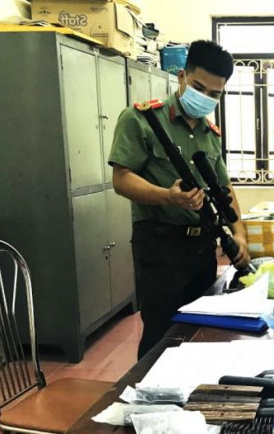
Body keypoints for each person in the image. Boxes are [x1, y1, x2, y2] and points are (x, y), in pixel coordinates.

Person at [109, 40, 250, 359]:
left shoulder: (210, 133)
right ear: (182, 76)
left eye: (215, 94)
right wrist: (168, 197)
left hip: (202, 247)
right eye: (199, 88)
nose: (205, 98)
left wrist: (239, 234)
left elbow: (224, 187)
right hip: (161, 247)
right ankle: (148, 390)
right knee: (160, 336)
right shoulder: (141, 119)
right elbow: (121, 179)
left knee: (199, 331)